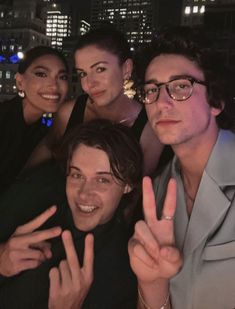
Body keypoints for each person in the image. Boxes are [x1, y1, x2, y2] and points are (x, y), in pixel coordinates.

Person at [128, 26, 235, 309]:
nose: (161, 103)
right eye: (151, 90)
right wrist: (151, 284)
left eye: (180, 87)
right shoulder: (160, 191)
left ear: (216, 101)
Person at [0, 119, 143, 309]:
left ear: (127, 184)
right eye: (77, 175)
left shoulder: (125, 274)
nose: (84, 193)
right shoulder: (36, 198)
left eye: (102, 180)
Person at [27, 26, 163, 176]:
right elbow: (47, 148)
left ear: (126, 68)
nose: (89, 83)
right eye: (83, 74)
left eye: (100, 69)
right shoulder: (69, 112)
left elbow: (139, 189)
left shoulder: (149, 127)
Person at [0, 46, 69, 193]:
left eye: (62, 77)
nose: (54, 85)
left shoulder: (42, 133)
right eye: (41, 74)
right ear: (20, 82)